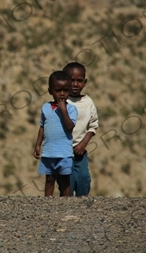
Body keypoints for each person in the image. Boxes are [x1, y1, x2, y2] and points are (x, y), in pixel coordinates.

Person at [33, 71, 78, 197]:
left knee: (65, 180)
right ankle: (48, 203)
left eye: (66, 90)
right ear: (50, 91)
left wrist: (63, 110)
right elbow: (42, 126)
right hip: (49, 151)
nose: (62, 94)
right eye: (58, 90)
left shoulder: (71, 109)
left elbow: (70, 127)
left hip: (64, 152)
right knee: (49, 179)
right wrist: (38, 145)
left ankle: (66, 203)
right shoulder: (45, 107)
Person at [62, 61, 99, 196]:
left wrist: (83, 144)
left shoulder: (88, 102)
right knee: (67, 182)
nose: (75, 84)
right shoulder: (61, 102)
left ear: (85, 82)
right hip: (63, 152)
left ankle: (83, 208)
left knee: (83, 179)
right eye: (71, 80)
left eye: (79, 81)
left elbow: (93, 126)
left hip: (79, 152)